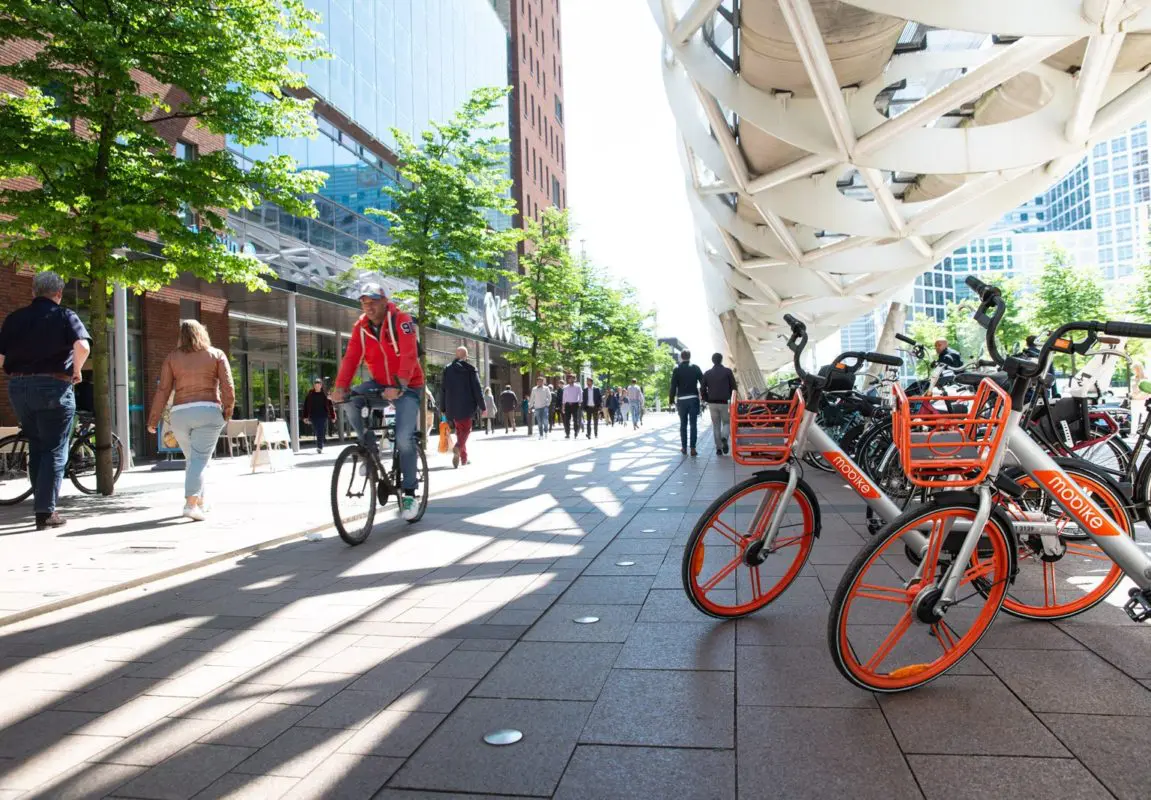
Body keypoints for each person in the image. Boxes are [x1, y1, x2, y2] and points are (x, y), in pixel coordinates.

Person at [0, 272, 91, 530]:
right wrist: (76, 370)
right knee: (54, 448)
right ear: (59, 293)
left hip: (19, 388)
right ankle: (46, 512)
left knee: (37, 446)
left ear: (33, 291)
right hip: (54, 386)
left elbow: (1, 357)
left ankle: (41, 506)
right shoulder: (64, 315)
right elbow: (82, 346)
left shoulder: (14, 318)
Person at [331, 282, 424, 521]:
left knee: (404, 439)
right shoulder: (361, 327)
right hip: (381, 385)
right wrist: (340, 388)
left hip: (408, 386)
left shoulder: (401, 320)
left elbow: (409, 353)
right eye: (364, 303)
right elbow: (351, 357)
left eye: (372, 302)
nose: (368, 307)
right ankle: (369, 451)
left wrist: (401, 383)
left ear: (384, 302)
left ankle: (410, 495)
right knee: (352, 400)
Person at [146, 319, 235, 521]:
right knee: (199, 460)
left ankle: (201, 501)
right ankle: (190, 504)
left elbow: (163, 390)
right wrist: (227, 411)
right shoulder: (216, 354)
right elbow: (228, 386)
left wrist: (153, 419)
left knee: (193, 459)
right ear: (202, 333)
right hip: (208, 411)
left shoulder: (172, 357)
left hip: (179, 415)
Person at [439, 346, 484, 468]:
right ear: (466, 356)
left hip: (452, 407)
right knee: (467, 430)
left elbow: (443, 390)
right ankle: (458, 447)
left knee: (460, 431)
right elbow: (477, 389)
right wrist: (483, 407)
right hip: (467, 406)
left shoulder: (447, 369)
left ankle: (463, 458)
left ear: (456, 355)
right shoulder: (470, 369)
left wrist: (443, 408)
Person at [669, 350, 705, 456]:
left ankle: (684, 448)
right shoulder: (696, 367)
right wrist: (704, 395)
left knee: (683, 424)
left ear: (681, 357)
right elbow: (703, 383)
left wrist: (671, 400)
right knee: (693, 424)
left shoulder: (676, 369)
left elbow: (673, 386)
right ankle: (693, 448)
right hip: (693, 399)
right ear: (690, 356)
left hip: (681, 400)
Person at [702, 353, 738, 456]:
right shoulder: (727, 371)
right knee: (726, 423)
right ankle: (724, 437)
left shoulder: (707, 373)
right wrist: (733, 399)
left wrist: (706, 398)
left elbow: (702, 388)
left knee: (716, 426)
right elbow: (734, 387)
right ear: (721, 360)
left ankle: (718, 449)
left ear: (712, 360)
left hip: (712, 403)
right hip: (724, 403)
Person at [303, 379, 335, 453]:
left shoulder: (325, 393)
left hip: (323, 415)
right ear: (314, 385)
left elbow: (330, 406)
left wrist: (333, 416)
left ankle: (319, 446)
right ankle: (321, 442)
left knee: (320, 429)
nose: (317, 386)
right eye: (316, 385)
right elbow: (306, 406)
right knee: (317, 430)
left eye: (318, 385)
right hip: (313, 415)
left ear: (321, 385)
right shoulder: (310, 394)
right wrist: (305, 417)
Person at [561, 374, 582, 438]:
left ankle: (576, 432)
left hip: (575, 404)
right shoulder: (565, 387)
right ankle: (567, 433)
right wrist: (563, 405)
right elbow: (564, 397)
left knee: (576, 420)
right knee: (567, 420)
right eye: (570, 378)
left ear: (574, 379)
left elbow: (581, 395)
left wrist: (580, 402)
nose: (571, 380)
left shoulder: (578, 387)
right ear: (568, 380)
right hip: (567, 405)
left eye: (572, 378)